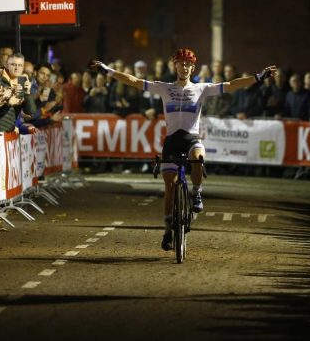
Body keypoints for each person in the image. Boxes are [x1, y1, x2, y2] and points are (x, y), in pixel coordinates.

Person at [91, 48, 276, 251]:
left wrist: (259, 77)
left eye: (188, 64)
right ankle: (168, 230)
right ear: (175, 66)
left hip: (191, 138)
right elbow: (134, 81)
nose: (185, 67)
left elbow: (232, 85)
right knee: (169, 187)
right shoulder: (163, 88)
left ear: (192, 67)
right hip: (172, 140)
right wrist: (107, 70)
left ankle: (197, 193)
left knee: (198, 157)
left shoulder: (201, 88)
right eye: (181, 63)